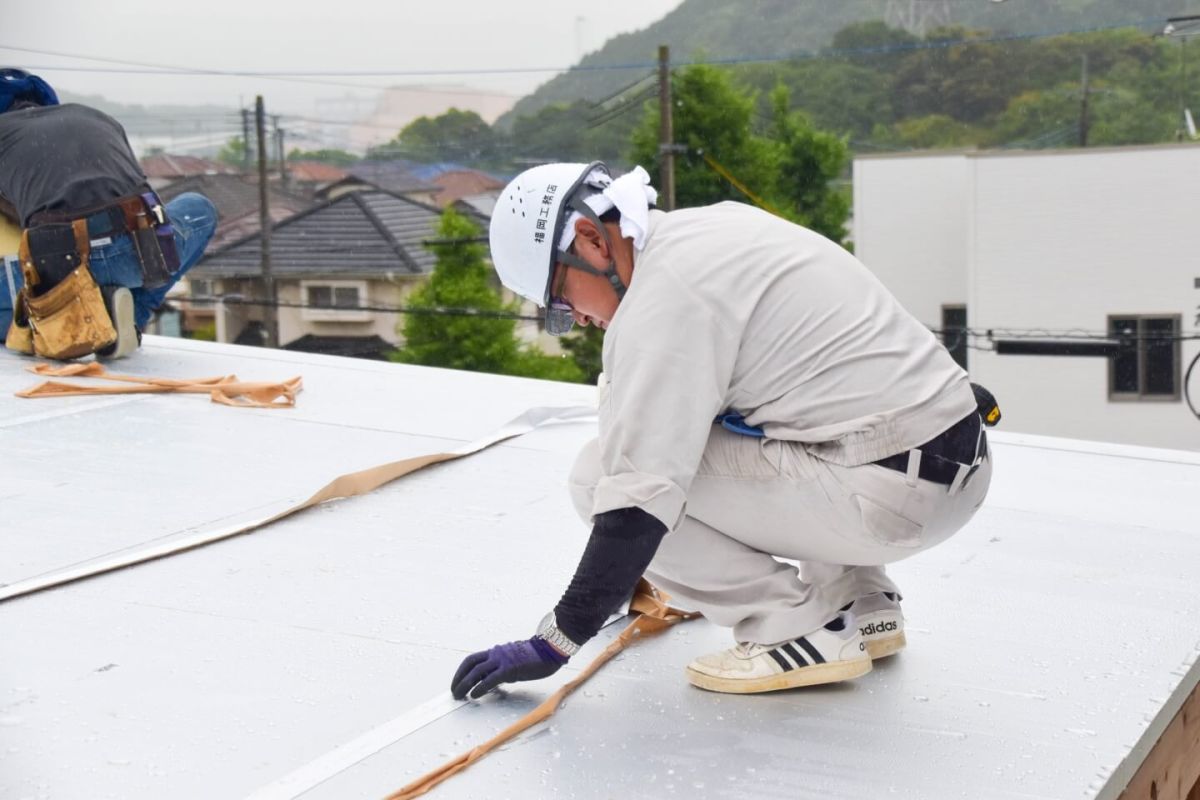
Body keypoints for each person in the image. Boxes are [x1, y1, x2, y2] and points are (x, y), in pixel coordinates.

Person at [450, 161, 994, 700]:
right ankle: (862, 601)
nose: (577, 319)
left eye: (562, 298)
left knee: (597, 477)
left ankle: (794, 628)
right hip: (957, 465)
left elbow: (635, 503)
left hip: (887, 496)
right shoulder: (715, 230)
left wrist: (555, 641)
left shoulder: (663, 302)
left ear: (590, 240)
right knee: (785, 422)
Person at [0, 68, 217, 359]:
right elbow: (138, 193)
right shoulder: (97, 118)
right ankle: (130, 318)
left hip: (62, 271)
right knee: (197, 207)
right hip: (141, 254)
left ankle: (70, 320)